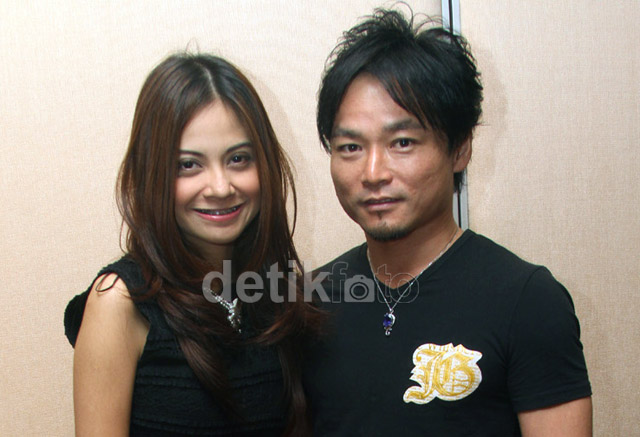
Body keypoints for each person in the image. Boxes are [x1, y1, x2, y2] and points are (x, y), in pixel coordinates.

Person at [304, 7, 592, 436]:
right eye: (350, 147)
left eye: (403, 142)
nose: (373, 172)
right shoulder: (310, 304)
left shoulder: (528, 302)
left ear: (460, 149)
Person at [64, 53, 322, 436]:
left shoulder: (274, 293)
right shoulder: (119, 301)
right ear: (152, 174)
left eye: (238, 159)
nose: (220, 187)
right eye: (189, 165)